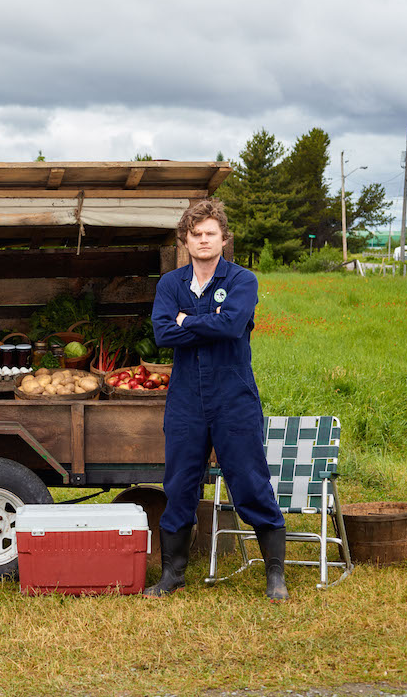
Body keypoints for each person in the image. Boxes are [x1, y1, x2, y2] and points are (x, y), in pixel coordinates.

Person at [143, 200, 288, 602]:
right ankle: (173, 575)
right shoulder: (170, 285)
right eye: (196, 234)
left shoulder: (243, 280)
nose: (203, 240)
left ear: (224, 238)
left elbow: (231, 326)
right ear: (184, 240)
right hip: (186, 401)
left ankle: (275, 575)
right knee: (179, 485)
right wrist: (209, 323)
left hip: (234, 398)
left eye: (210, 233)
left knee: (250, 481)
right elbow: (162, 335)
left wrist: (187, 321)